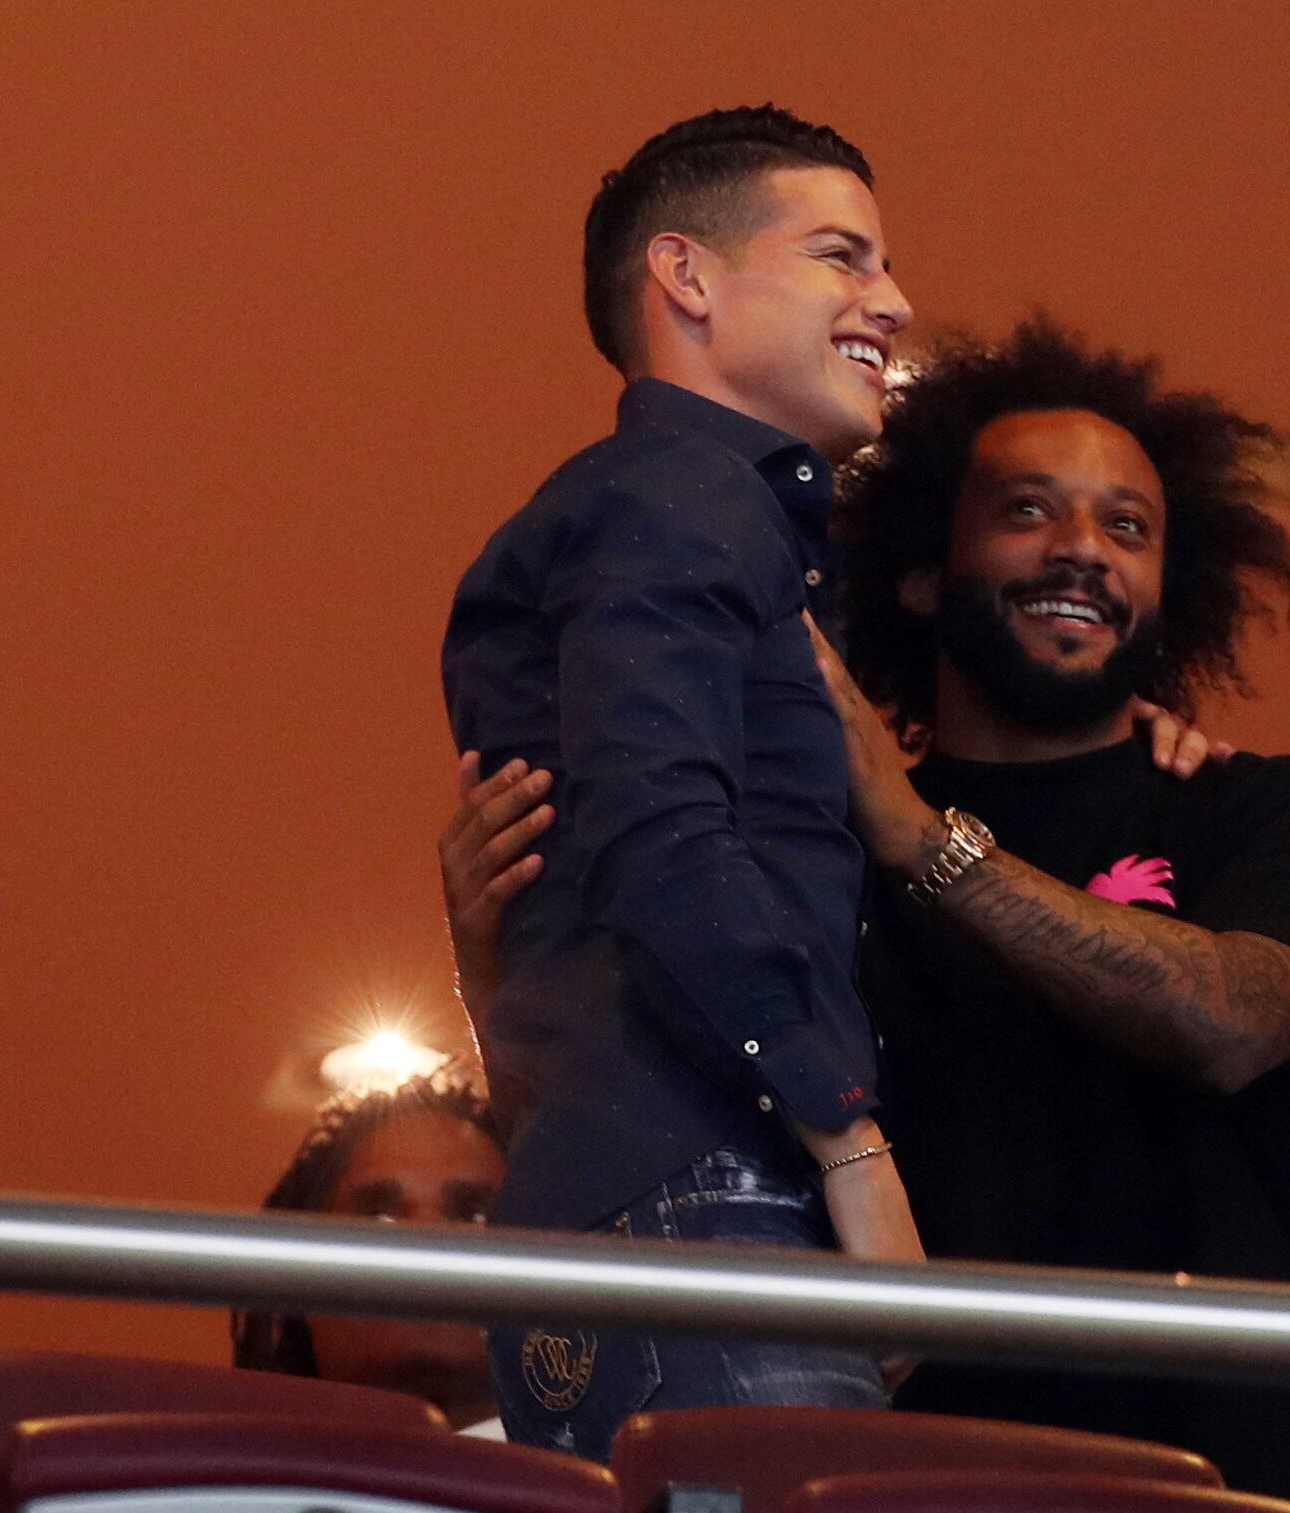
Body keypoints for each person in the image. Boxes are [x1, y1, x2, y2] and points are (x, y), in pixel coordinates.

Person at [442, 318, 1290, 1513]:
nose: (1084, 550)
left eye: (1129, 528)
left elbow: (1230, 1019)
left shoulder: (1275, 808)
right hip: (909, 1477)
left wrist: (920, 838)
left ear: (1172, 590)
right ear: (917, 571)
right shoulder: (804, 847)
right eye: (1027, 511)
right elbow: (653, 1106)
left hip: (1243, 1483)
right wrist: (494, 967)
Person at [439, 105, 921, 1460]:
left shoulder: (675, 519)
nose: (890, 301)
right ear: (686, 279)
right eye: (840, 256)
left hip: (640, 1194)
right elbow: (663, 837)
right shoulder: (672, 499)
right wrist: (849, 1145)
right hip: (704, 1191)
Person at [232, 1070, 507, 1433]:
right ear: (301, 1287)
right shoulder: (214, 1476)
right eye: (378, 1215)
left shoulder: (601, 1482)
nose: (424, 1240)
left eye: (473, 1213)